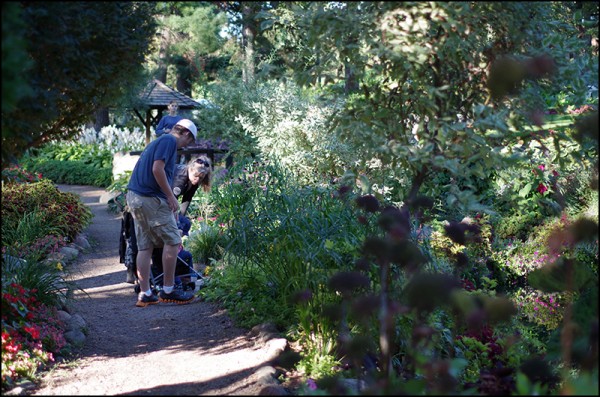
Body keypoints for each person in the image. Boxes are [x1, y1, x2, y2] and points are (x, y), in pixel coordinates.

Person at [126, 118, 197, 307]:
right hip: (148, 197)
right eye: (189, 142)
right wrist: (171, 197)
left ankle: (146, 293)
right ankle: (169, 289)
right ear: (186, 134)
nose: (185, 146)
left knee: (145, 246)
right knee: (173, 241)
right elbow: (157, 169)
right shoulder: (169, 141)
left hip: (135, 197)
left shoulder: (159, 141)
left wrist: (166, 200)